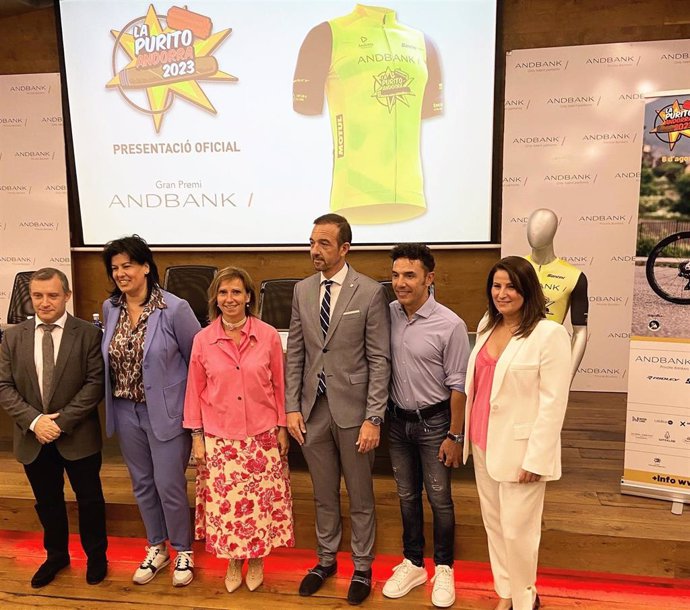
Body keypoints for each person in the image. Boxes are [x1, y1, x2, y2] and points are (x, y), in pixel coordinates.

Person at [285, 213, 391, 605]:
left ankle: (362, 567)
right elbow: (295, 352)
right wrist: (291, 407)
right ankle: (325, 560)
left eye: (324, 243)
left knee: (361, 495)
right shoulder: (302, 290)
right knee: (323, 493)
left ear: (345, 248)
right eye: (312, 242)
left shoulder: (369, 292)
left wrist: (373, 417)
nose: (315, 250)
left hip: (355, 412)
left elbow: (380, 360)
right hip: (312, 411)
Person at [462, 256, 571, 610]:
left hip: (521, 451)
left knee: (519, 532)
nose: (502, 293)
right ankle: (505, 593)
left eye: (511, 286)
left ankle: (526, 599)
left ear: (527, 289)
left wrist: (536, 458)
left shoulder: (549, 334)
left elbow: (553, 402)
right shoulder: (485, 325)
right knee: (495, 527)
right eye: (496, 285)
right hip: (482, 443)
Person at [183, 266, 294, 594]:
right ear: (215, 299)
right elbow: (194, 390)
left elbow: (279, 385)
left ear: (248, 298)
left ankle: (257, 558)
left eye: (236, 292)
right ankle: (234, 560)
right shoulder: (203, 340)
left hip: (261, 436)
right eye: (223, 292)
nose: (229, 299)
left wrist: (282, 427)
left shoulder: (269, 335)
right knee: (227, 505)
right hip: (220, 438)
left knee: (259, 505)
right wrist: (196, 436)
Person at [101, 235, 200, 587]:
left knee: (169, 484)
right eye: (115, 268)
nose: (121, 273)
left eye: (127, 265)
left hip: (167, 412)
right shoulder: (110, 308)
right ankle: (156, 546)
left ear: (146, 266)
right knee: (142, 484)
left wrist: (195, 418)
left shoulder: (175, 308)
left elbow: (197, 362)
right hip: (125, 410)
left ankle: (183, 550)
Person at [0, 268, 107, 588]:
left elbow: (95, 383)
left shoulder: (88, 333)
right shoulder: (13, 336)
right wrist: (35, 422)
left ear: (67, 296)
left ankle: (97, 557)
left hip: (78, 436)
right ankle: (56, 555)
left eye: (52, 295)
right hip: (33, 437)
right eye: (37, 296)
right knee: (47, 501)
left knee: (90, 500)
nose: (44, 302)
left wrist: (60, 423)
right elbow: (4, 386)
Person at [382, 244, 470, 608]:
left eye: (409, 276)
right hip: (397, 423)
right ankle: (414, 562)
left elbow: (459, 387)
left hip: (435, 424)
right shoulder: (386, 314)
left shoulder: (451, 325)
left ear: (429, 278)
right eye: (396, 275)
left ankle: (444, 567)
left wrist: (455, 435)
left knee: (439, 498)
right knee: (405, 495)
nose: (400, 283)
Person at [524, 208, 588, 381]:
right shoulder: (515, 268)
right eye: (532, 226)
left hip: (550, 354)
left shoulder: (574, 276)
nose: (535, 232)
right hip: (516, 352)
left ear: (554, 231)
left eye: (543, 227)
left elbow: (580, 332)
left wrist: (569, 377)